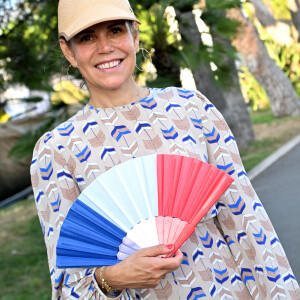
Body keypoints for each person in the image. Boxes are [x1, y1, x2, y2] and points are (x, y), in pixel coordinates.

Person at [30, 0, 299, 299]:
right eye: (87, 37)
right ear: (68, 50)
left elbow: (248, 223)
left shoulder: (191, 109)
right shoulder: (56, 151)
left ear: (135, 35)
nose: (105, 47)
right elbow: (68, 287)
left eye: (115, 30)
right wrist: (112, 279)